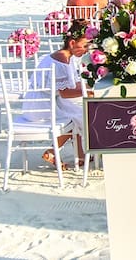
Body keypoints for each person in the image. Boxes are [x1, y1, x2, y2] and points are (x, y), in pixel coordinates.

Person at [25, 19, 90, 169]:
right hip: (41, 105)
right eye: (84, 45)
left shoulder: (65, 56)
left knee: (80, 112)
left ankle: (80, 156)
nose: (86, 49)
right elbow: (66, 92)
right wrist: (89, 90)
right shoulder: (62, 60)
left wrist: (88, 86)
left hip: (50, 99)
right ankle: (52, 151)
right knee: (76, 117)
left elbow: (71, 85)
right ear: (72, 43)